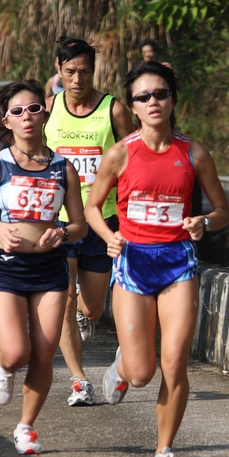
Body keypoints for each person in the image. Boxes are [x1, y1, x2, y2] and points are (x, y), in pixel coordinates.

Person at [84, 61, 229, 457]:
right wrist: (108, 236)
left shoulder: (194, 154)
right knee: (142, 373)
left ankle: (164, 452)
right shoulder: (120, 153)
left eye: (161, 94)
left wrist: (204, 222)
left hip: (178, 264)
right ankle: (121, 368)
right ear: (132, 106)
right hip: (133, 263)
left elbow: (222, 211)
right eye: (143, 96)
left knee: (175, 361)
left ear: (172, 100)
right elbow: (93, 207)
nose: (153, 102)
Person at [0, 79, 86, 454]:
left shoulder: (63, 168)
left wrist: (62, 232)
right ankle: (3, 365)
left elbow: (79, 225)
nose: (26, 116)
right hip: (8, 269)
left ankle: (27, 426)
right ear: (7, 120)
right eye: (17, 111)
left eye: (33, 108)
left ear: (44, 114)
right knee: (17, 352)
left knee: (44, 355)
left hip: (51, 270)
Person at [44, 36, 134, 407]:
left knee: (92, 308)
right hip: (60, 222)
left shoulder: (113, 110)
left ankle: (87, 315)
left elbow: (135, 159)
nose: (77, 79)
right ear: (58, 70)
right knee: (64, 300)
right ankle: (79, 381)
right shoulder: (49, 107)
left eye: (84, 71)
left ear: (93, 71)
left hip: (101, 221)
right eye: (70, 71)